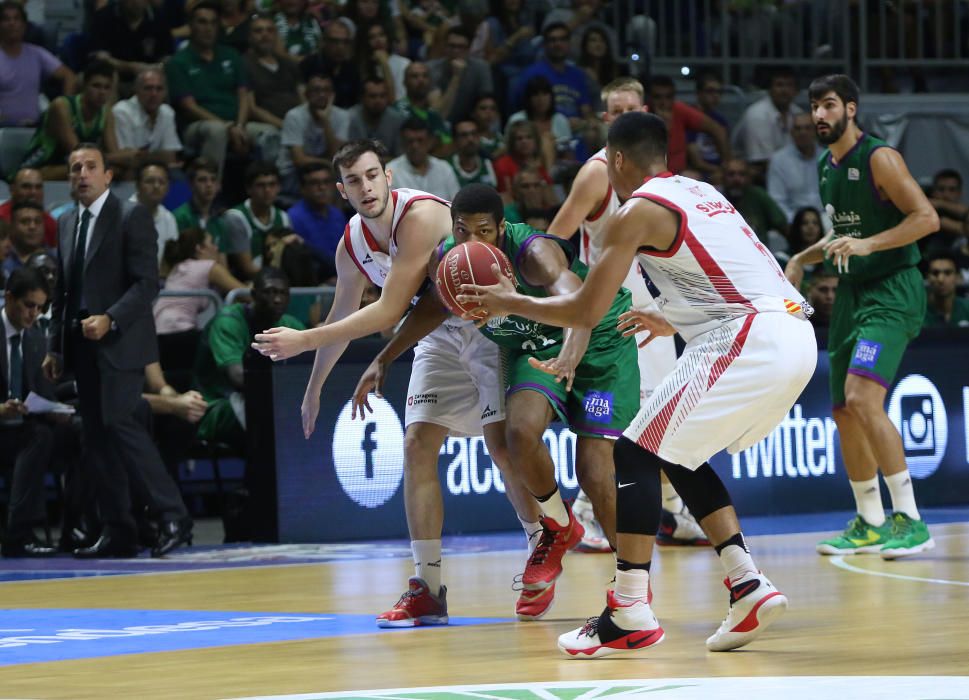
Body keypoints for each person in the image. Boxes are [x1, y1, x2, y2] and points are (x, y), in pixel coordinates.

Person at [459, 111, 817, 657]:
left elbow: (584, 306)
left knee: (633, 451)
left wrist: (509, 301)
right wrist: (669, 319)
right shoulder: (701, 192)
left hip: (749, 337)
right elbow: (745, 271)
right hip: (792, 329)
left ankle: (628, 610)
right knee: (675, 453)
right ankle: (746, 585)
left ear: (616, 161)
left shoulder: (635, 212)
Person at [251, 140, 542, 626]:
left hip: (488, 323)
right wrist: (313, 386)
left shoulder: (423, 216)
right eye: (354, 181)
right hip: (434, 335)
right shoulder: (351, 245)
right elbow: (342, 314)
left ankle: (540, 543)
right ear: (342, 191)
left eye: (371, 175)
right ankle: (428, 588)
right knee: (417, 443)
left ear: (388, 176)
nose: (365, 187)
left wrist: (303, 339)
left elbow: (386, 311)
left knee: (500, 446)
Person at [353, 182, 641, 619]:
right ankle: (558, 526)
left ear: (502, 229)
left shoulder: (534, 254)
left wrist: (569, 351)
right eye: (462, 231)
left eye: (483, 231)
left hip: (596, 339)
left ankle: (632, 585)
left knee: (594, 471)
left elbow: (580, 304)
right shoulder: (449, 261)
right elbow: (433, 306)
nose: (470, 242)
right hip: (534, 346)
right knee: (518, 432)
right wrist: (384, 357)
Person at [546, 77, 706, 550]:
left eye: (630, 109)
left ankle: (672, 512)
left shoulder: (658, 175)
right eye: (614, 111)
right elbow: (554, 241)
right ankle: (588, 511)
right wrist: (571, 301)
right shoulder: (598, 174)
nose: (622, 117)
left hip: (656, 310)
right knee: (622, 424)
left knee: (663, 416)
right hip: (611, 314)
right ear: (604, 119)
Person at [786, 74, 938, 559]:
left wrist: (871, 243)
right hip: (853, 292)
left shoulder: (879, 158)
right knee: (843, 410)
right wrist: (798, 261)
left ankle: (910, 519)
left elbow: (926, 218)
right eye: (814, 107)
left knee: (863, 397)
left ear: (851, 108)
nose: (819, 115)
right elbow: (839, 237)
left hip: (892, 289)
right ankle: (870, 520)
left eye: (829, 105)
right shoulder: (827, 167)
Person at [43, 143, 192, 558]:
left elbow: (147, 284)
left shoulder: (131, 215)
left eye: (90, 166)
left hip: (122, 343)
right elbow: (63, 291)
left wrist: (110, 318)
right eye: (75, 168)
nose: (81, 173)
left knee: (122, 425)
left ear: (108, 175)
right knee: (95, 439)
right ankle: (118, 529)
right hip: (80, 346)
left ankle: (173, 516)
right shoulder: (69, 221)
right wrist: (56, 347)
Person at [194, 267, 301, 452]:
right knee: (273, 419)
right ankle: (263, 480)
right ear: (253, 295)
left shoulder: (291, 325)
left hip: (269, 401)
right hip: (217, 406)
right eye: (269, 292)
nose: (276, 299)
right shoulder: (228, 322)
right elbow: (239, 379)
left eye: (282, 293)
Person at [0, 267, 62, 557]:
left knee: (81, 433)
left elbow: (42, 392)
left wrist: (55, 409)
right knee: (38, 437)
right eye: (28, 306)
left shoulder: (36, 336)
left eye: (39, 307)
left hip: (20, 425)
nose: (33, 314)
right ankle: (19, 532)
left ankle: (83, 525)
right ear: (9, 298)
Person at [20, 59, 128, 179]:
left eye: (107, 88)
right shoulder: (62, 106)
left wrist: (127, 158)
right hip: (39, 168)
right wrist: (120, 157)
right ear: (84, 86)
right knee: (89, 169)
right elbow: (79, 154)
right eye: (96, 86)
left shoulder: (106, 113)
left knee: (119, 171)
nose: (102, 92)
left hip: (75, 167)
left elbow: (115, 154)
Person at [155, 227, 246, 337]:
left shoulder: (178, 266)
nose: (216, 248)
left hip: (156, 330)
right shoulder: (208, 267)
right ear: (200, 248)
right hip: (178, 329)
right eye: (212, 243)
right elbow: (244, 293)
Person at [0, 0, 75, 127]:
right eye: (6, 19)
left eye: (16, 19)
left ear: (24, 26)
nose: (12, 23)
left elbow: (69, 76)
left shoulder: (37, 54)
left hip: (33, 128)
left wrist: (65, 112)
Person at [277, 72, 350, 197]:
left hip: (327, 171)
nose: (321, 94)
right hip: (294, 173)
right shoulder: (294, 116)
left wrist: (325, 121)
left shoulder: (342, 116)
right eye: (316, 90)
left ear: (332, 95)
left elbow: (336, 154)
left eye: (326, 90)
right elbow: (299, 160)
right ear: (307, 94)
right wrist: (328, 163)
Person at [732, 66, 802, 184]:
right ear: (770, 90)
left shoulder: (798, 113)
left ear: (796, 91)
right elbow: (762, 162)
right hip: (751, 174)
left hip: (787, 170)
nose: (784, 90)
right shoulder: (757, 114)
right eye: (779, 85)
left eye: (789, 85)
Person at [647, 75, 729, 175]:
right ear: (649, 98)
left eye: (668, 97)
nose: (663, 103)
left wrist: (726, 164)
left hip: (680, 176)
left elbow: (718, 129)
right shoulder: (643, 114)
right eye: (657, 97)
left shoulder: (679, 110)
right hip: (650, 176)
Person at [223, 162, 292, 280]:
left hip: (276, 282)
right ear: (249, 189)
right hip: (245, 285)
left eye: (272, 184)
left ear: (279, 187)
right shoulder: (236, 217)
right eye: (261, 185)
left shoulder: (284, 218)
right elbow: (248, 269)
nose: (267, 190)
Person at [111, 67, 183, 170]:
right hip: (129, 173)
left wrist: (144, 156)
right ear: (136, 90)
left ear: (165, 92)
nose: (154, 94)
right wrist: (159, 156)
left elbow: (170, 156)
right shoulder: (122, 111)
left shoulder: (167, 112)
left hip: (160, 171)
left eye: (159, 89)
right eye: (148, 88)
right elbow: (127, 158)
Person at [287, 163, 347, 282]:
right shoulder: (293, 217)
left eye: (326, 182)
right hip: (312, 282)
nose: (322, 187)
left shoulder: (337, 215)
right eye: (314, 183)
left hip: (341, 275)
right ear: (302, 189)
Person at [427, 26, 493, 125]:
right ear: (445, 46)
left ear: (469, 48)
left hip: (471, 125)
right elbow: (438, 114)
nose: (456, 51)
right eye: (451, 46)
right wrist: (456, 77)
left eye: (461, 47)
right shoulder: (432, 69)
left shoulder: (481, 68)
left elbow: (486, 106)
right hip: (441, 125)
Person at [767, 113, 824, 223]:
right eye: (798, 129)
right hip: (793, 220)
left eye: (807, 128)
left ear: (815, 132)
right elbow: (777, 201)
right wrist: (798, 222)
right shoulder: (779, 160)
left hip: (825, 219)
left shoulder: (828, 158)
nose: (803, 132)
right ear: (791, 132)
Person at [386, 118, 460, 200]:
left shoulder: (444, 169)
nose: (415, 146)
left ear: (430, 141)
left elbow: (457, 205)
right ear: (403, 143)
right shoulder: (391, 172)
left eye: (420, 140)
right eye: (410, 141)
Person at [132, 159, 179, 268]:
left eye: (162, 182)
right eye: (149, 181)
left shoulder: (168, 218)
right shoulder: (122, 215)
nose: (156, 186)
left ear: (168, 188)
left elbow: (170, 260)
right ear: (137, 185)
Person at [173, 158, 227, 251]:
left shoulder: (220, 219)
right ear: (191, 185)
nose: (209, 184)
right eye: (202, 180)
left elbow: (222, 259)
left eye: (213, 179)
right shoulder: (180, 217)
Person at [346, 77, 407, 159]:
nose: (378, 100)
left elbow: (400, 157)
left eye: (382, 96)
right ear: (362, 98)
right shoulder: (350, 118)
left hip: (390, 168)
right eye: (373, 96)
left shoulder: (398, 120)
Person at [0, 168, 58, 248]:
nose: (33, 192)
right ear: (12, 189)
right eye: (26, 187)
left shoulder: (50, 223)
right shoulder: (1, 217)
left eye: (38, 187)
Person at [3, 202, 50, 277]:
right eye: (25, 222)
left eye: (37, 221)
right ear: (12, 226)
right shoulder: (3, 263)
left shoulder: (59, 260)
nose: (32, 226)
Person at [923, 251, 969, 328]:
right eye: (935, 273)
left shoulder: (967, 308)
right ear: (928, 277)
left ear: (958, 277)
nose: (941, 279)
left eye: (948, 273)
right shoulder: (917, 313)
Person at [449, 120, 497, 187]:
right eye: (464, 135)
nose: (470, 139)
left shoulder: (488, 164)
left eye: (474, 134)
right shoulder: (447, 167)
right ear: (455, 140)